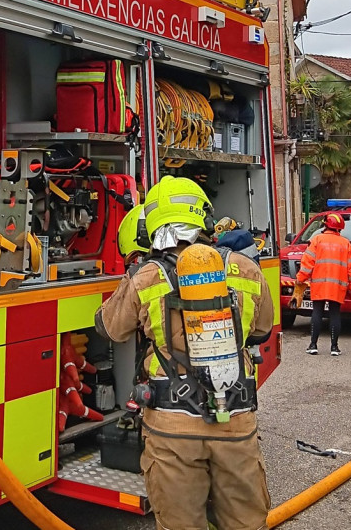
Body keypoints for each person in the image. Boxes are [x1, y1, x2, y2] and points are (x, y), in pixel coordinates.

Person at [95, 176, 272, 530]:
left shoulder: (148, 276)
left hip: (172, 425)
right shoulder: (244, 268)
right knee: (245, 523)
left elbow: (111, 328)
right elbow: (263, 328)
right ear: (203, 216)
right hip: (235, 421)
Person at [290, 212, 351, 356]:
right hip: (338, 285)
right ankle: (334, 347)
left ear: (325, 225)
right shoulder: (345, 244)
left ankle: (313, 345)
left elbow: (307, 263)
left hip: (319, 284)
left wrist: (300, 279)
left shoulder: (317, 240)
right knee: (334, 313)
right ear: (339, 228)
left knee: (317, 312)